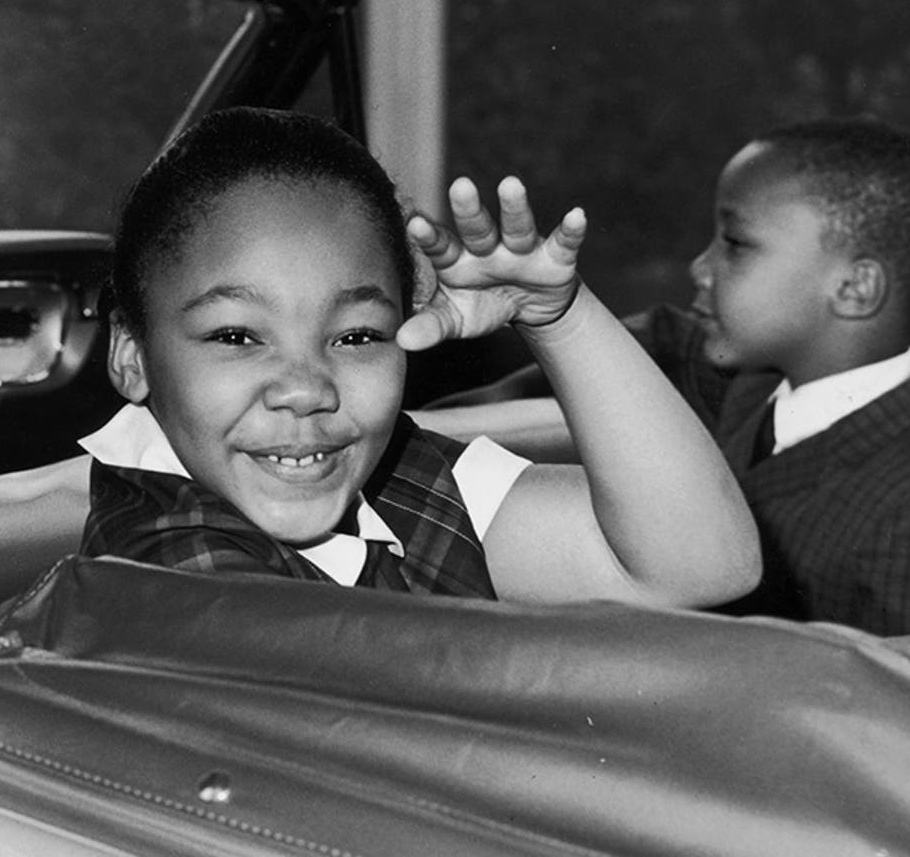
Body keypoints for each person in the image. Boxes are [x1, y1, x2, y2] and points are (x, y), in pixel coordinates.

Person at [78, 107, 759, 606]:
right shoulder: (166, 574)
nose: (306, 388)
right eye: (237, 337)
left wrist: (561, 320)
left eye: (355, 337)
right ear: (132, 356)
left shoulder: (396, 476)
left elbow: (703, 565)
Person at [422, 118, 910, 634]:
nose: (700, 267)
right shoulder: (751, 380)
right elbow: (646, 355)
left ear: (855, 289)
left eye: (736, 244)